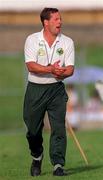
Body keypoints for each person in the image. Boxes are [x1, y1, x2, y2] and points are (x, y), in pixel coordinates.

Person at [23, 7, 75, 176]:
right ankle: (37, 156)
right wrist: (50, 69)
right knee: (32, 130)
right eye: (56, 19)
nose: (60, 22)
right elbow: (30, 65)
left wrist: (61, 73)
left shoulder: (67, 42)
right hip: (35, 89)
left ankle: (58, 165)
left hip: (56, 90)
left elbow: (70, 70)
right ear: (46, 22)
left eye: (60, 19)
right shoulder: (32, 39)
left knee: (58, 128)